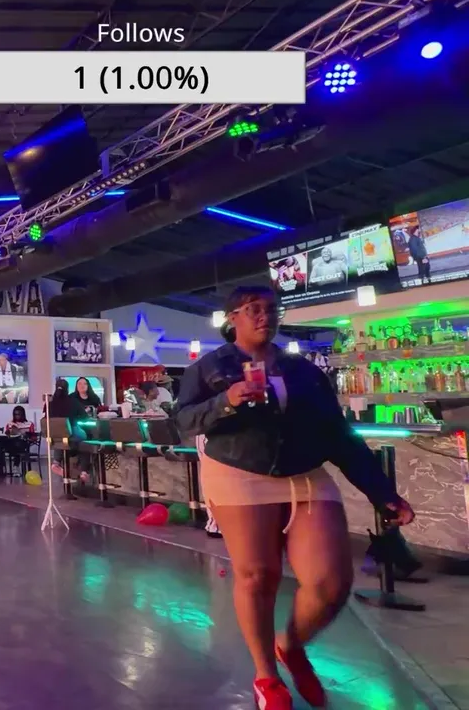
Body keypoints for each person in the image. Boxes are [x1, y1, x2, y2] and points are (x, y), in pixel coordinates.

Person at [176, 285, 416, 710]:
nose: (264, 316)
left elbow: (337, 434)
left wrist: (382, 492)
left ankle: (290, 644)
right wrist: (227, 401)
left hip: (304, 473)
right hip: (238, 472)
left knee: (330, 583)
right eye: (253, 309)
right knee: (258, 575)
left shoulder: (302, 370)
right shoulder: (209, 368)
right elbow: (183, 422)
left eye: (271, 309)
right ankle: (266, 677)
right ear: (233, 318)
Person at [0, 405, 35, 474]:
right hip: (11, 442)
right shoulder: (10, 424)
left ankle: (15, 466)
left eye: (18, 414)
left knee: (17, 443)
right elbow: (7, 434)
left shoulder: (29, 424)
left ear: (22, 414)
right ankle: (0, 466)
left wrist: (24, 434)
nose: (17, 416)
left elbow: (33, 437)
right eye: (15, 414)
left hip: (22, 443)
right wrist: (8, 433)